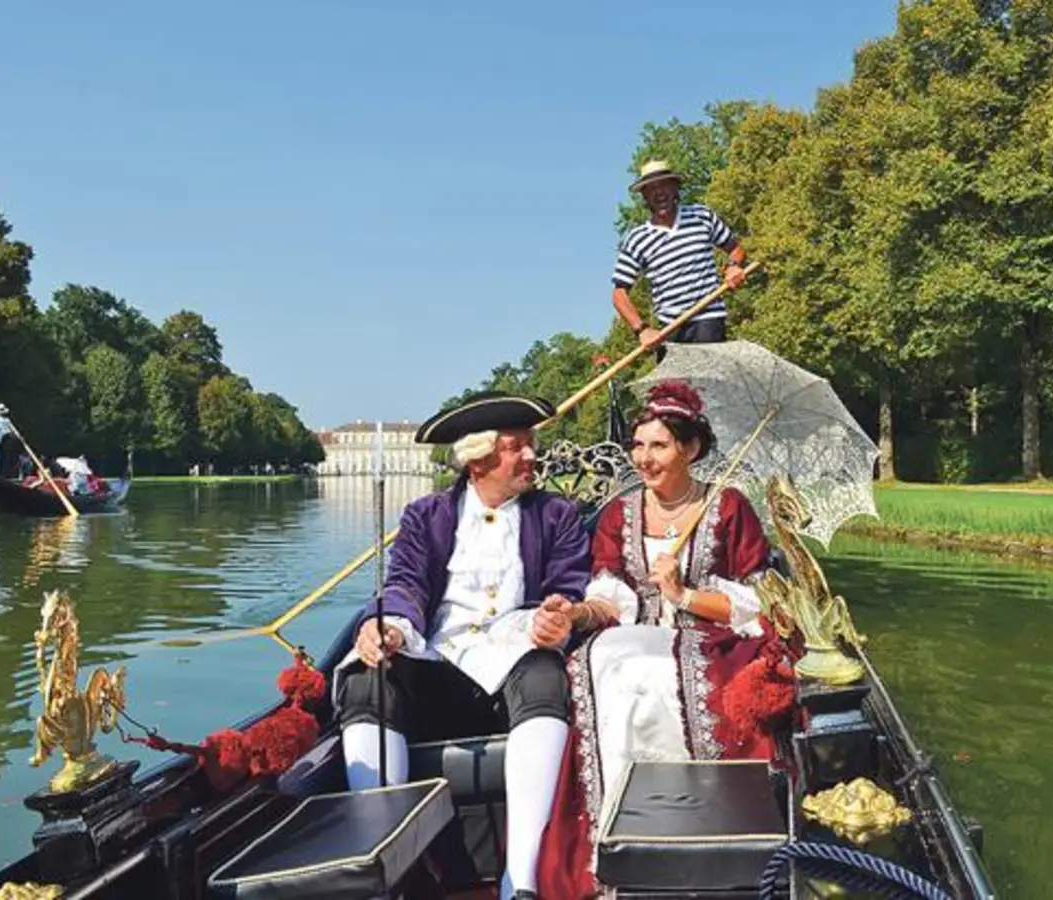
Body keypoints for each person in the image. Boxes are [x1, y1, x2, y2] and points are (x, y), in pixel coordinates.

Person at [330, 392, 593, 900]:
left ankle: (522, 881)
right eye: (518, 447)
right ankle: (389, 873)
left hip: (516, 652)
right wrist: (390, 629)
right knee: (368, 676)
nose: (532, 457)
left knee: (545, 674)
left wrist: (559, 617)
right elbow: (404, 584)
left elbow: (570, 587)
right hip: (439, 655)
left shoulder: (557, 514)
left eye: (530, 445)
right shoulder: (425, 515)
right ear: (479, 461)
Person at [537, 380, 785, 898]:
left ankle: (693, 836)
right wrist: (577, 612)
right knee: (600, 659)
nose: (643, 459)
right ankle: (616, 835)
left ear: (690, 449)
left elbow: (760, 603)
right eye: (638, 445)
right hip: (634, 634)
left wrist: (684, 594)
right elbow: (612, 599)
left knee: (648, 671)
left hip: (712, 637)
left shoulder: (729, 507)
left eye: (659, 446)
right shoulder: (617, 514)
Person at [610, 160, 749, 352]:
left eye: (663, 185)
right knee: (671, 384)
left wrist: (734, 265)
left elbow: (736, 249)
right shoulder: (637, 239)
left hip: (708, 318)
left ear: (675, 187)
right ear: (644, 196)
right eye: (651, 188)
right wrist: (641, 330)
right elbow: (619, 294)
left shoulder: (702, 216)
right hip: (669, 329)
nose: (659, 192)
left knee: (704, 380)